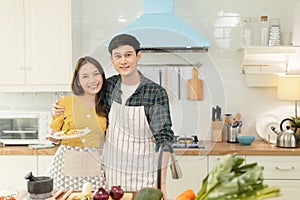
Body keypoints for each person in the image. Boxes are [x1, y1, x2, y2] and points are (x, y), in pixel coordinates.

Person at [53, 34, 174, 199]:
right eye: (118, 56)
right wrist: (60, 108)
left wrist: (162, 183)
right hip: (111, 176)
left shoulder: (155, 92)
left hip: (144, 175)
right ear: (112, 59)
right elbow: (85, 101)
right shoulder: (108, 86)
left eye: (128, 55)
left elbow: (164, 139)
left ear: (138, 56)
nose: (123, 61)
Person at [47, 56, 108, 191]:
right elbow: (54, 135)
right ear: (78, 82)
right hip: (65, 168)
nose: (92, 80)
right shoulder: (65, 103)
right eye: (85, 76)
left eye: (96, 74)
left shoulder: (105, 105)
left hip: (94, 166)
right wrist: (54, 138)